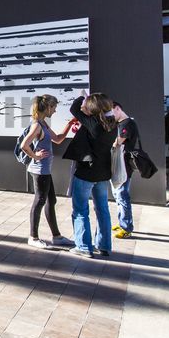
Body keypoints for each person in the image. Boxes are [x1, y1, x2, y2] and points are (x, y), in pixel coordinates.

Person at [65, 93, 117, 258]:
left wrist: (83, 96)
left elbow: (74, 107)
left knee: (80, 210)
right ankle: (104, 245)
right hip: (103, 173)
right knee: (102, 210)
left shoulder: (93, 124)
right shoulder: (112, 124)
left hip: (86, 172)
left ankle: (83, 246)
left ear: (92, 108)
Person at [20, 95, 75, 249]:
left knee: (51, 201)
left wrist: (70, 124)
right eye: (54, 107)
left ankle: (56, 237)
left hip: (45, 171)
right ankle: (33, 237)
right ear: (48, 107)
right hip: (39, 171)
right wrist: (35, 155)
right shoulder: (37, 125)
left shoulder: (43, 123)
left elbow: (57, 139)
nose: (55, 110)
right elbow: (25, 145)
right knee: (39, 201)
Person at [112, 102, 139, 239]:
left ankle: (126, 227)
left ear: (118, 108)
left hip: (124, 165)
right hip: (121, 164)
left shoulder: (126, 124)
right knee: (118, 195)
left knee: (122, 195)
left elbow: (118, 142)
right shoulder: (124, 123)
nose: (110, 116)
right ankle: (122, 222)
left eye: (111, 112)